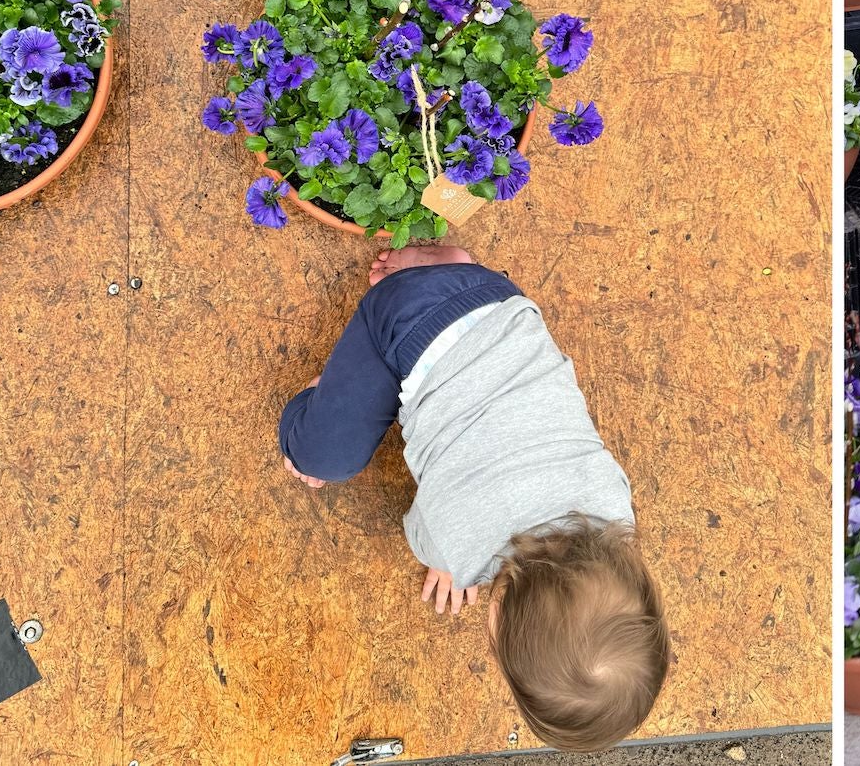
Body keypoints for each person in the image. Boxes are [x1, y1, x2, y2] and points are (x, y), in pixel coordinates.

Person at [279, 244, 670, 752]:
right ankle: (325, 394)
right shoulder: (452, 541)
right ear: (500, 615)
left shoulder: (615, 504)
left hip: (497, 299)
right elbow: (433, 533)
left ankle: (449, 262)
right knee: (319, 457)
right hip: (403, 323)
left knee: (457, 309)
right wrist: (453, 563)